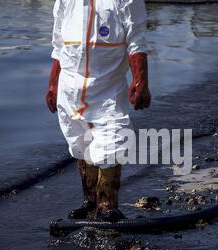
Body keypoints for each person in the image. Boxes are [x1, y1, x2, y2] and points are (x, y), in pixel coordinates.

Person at [45, 0, 151, 222]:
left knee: (112, 142)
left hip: (107, 89)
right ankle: (89, 202)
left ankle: (107, 205)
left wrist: (140, 81)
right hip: (70, 86)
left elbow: (136, 42)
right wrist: (53, 84)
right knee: (79, 143)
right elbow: (58, 44)